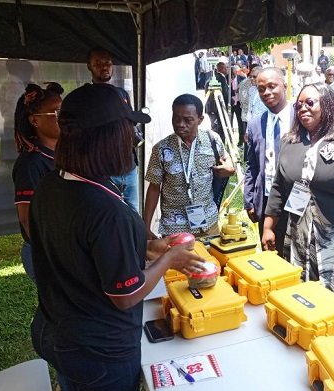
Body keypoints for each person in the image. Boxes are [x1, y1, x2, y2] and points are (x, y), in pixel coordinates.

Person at [28, 83, 205, 391]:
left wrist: (149, 247)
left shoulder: (53, 185)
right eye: (129, 130)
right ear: (106, 138)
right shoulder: (105, 210)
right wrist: (170, 259)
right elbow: (126, 295)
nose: (134, 139)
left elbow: (83, 251)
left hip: (55, 329)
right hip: (99, 352)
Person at [262, 82, 334, 300]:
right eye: (298, 106)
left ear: (328, 105)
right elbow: (279, 186)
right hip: (299, 230)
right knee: (302, 294)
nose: (303, 109)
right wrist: (268, 226)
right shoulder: (290, 142)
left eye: (310, 103)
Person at [12, 82, 82, 391]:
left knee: (75, 323)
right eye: (54, 113)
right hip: (49, 257)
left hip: (71, 253)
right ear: (35, 121)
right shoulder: (31, 165)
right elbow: (28, 223)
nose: (62, 117)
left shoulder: (69, 151)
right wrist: (59, 259)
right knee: (63, 328)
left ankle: (70, 385)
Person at [144, 94, 235, 238]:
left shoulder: (212, 139)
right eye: (176, 118)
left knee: (209, 260)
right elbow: (154, 188)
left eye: (188, 120)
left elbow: (226, 159)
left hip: (208, 223)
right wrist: (146, 226)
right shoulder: (161, 149)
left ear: (200, 119)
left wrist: (230, 168)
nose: (180, 124)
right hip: (175, 228)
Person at [244, 68, 292, 256]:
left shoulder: (300, 117)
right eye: (261, 88)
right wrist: (249, 199)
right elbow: (252, 164)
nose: (267, 93)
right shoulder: (256, 123)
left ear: (285, 86)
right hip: (265, 198)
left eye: (272, 86)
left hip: (294, 197)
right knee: (270, 252)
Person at [87, 46, 140, 212]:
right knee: (109, 216)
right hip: (104, 172)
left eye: (108, 63)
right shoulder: (84, 97)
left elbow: (131, 124)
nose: (104, 67)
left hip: (129, 169)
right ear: (89, 66)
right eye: (98, 63)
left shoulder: (121, 94)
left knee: (134, 216)